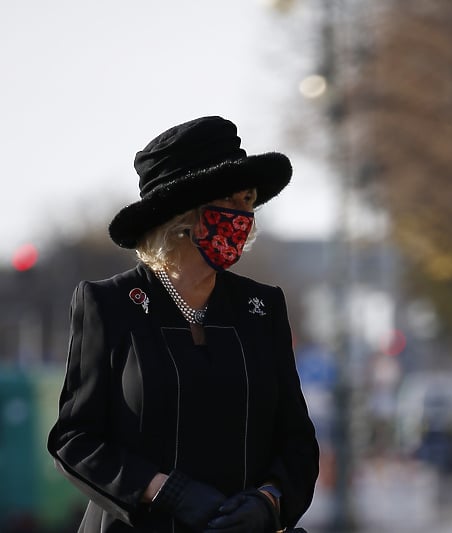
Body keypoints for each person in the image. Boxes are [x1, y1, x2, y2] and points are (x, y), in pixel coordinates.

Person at [48, 116, 319, 532]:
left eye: (249, 200)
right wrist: (163, 490)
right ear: (183, 215)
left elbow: (298, 443)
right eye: (230, 201)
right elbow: (75, 440)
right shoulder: (109, 305)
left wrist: (268, 503)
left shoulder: (261, 308)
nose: (244, 215)